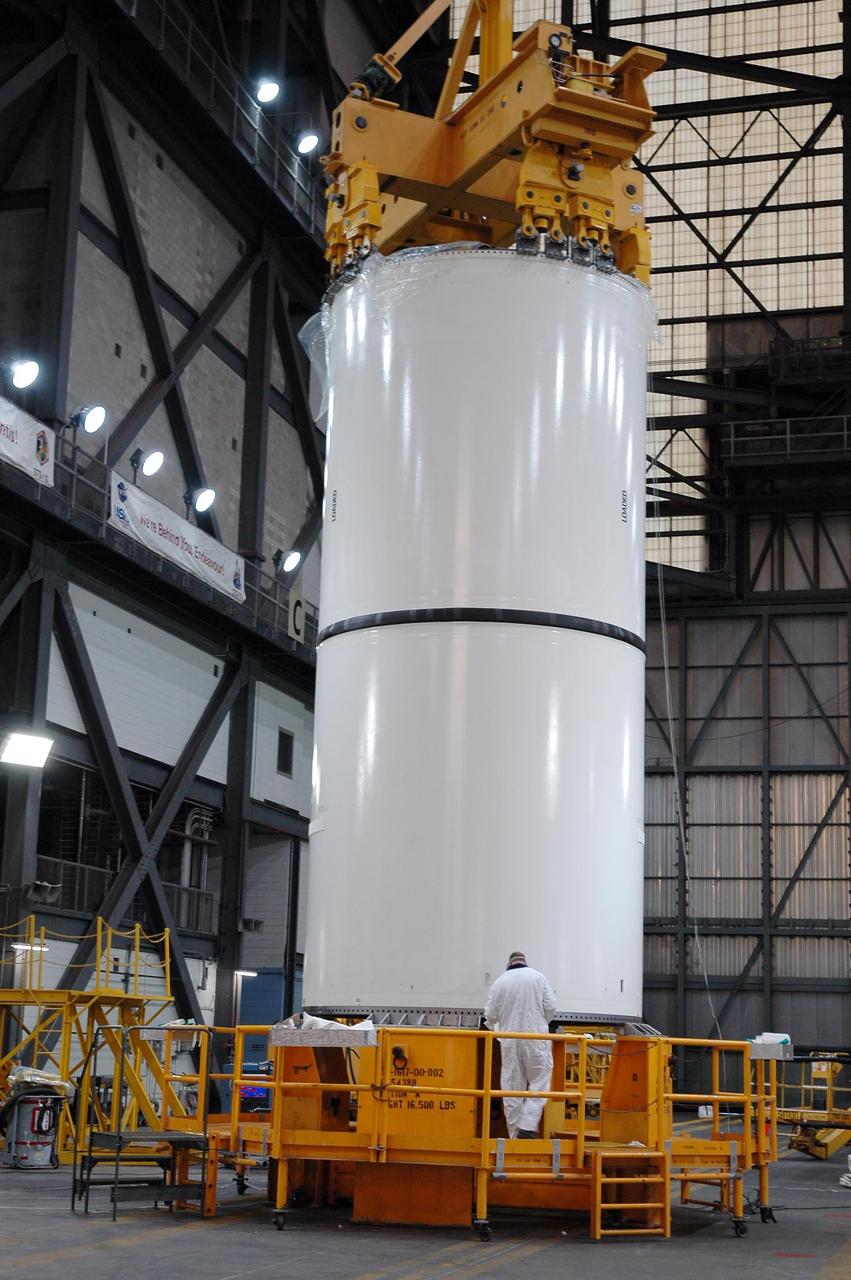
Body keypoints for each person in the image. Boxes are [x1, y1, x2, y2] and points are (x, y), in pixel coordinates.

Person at [483, 951, 558, 1139]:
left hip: (509, 1040)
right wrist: (542, 1023)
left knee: (511, 1088)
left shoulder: (500, 982)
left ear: (508, 964)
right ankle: (528, 1124)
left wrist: (498, 1027)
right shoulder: (538, 978)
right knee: (540, 1080)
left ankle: (516, 1137)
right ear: (525, 963)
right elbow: (551, 1007)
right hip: (536, 1039)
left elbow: (490, 1015)